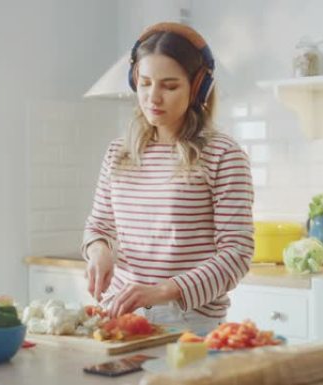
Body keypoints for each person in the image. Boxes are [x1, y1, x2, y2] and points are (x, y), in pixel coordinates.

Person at [81, 22, 254, 334]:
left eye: (169, 86)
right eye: (145, 83)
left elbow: (236, 254)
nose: (153, 98)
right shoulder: (118, 152)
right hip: (117, 313)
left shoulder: (223, 155)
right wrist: (99, 251)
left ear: (198, 86)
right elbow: (98, 226)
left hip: (188, 323)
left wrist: (162, 291)